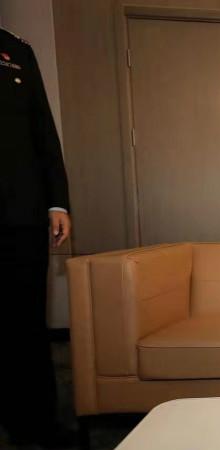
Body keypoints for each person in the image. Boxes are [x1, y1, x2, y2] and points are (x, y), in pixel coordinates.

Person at [0, 26, 73, 447]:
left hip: (20, 214)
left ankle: (38, 424)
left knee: (27, 324)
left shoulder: (16, 52)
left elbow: (43, 130)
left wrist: (57, 203)